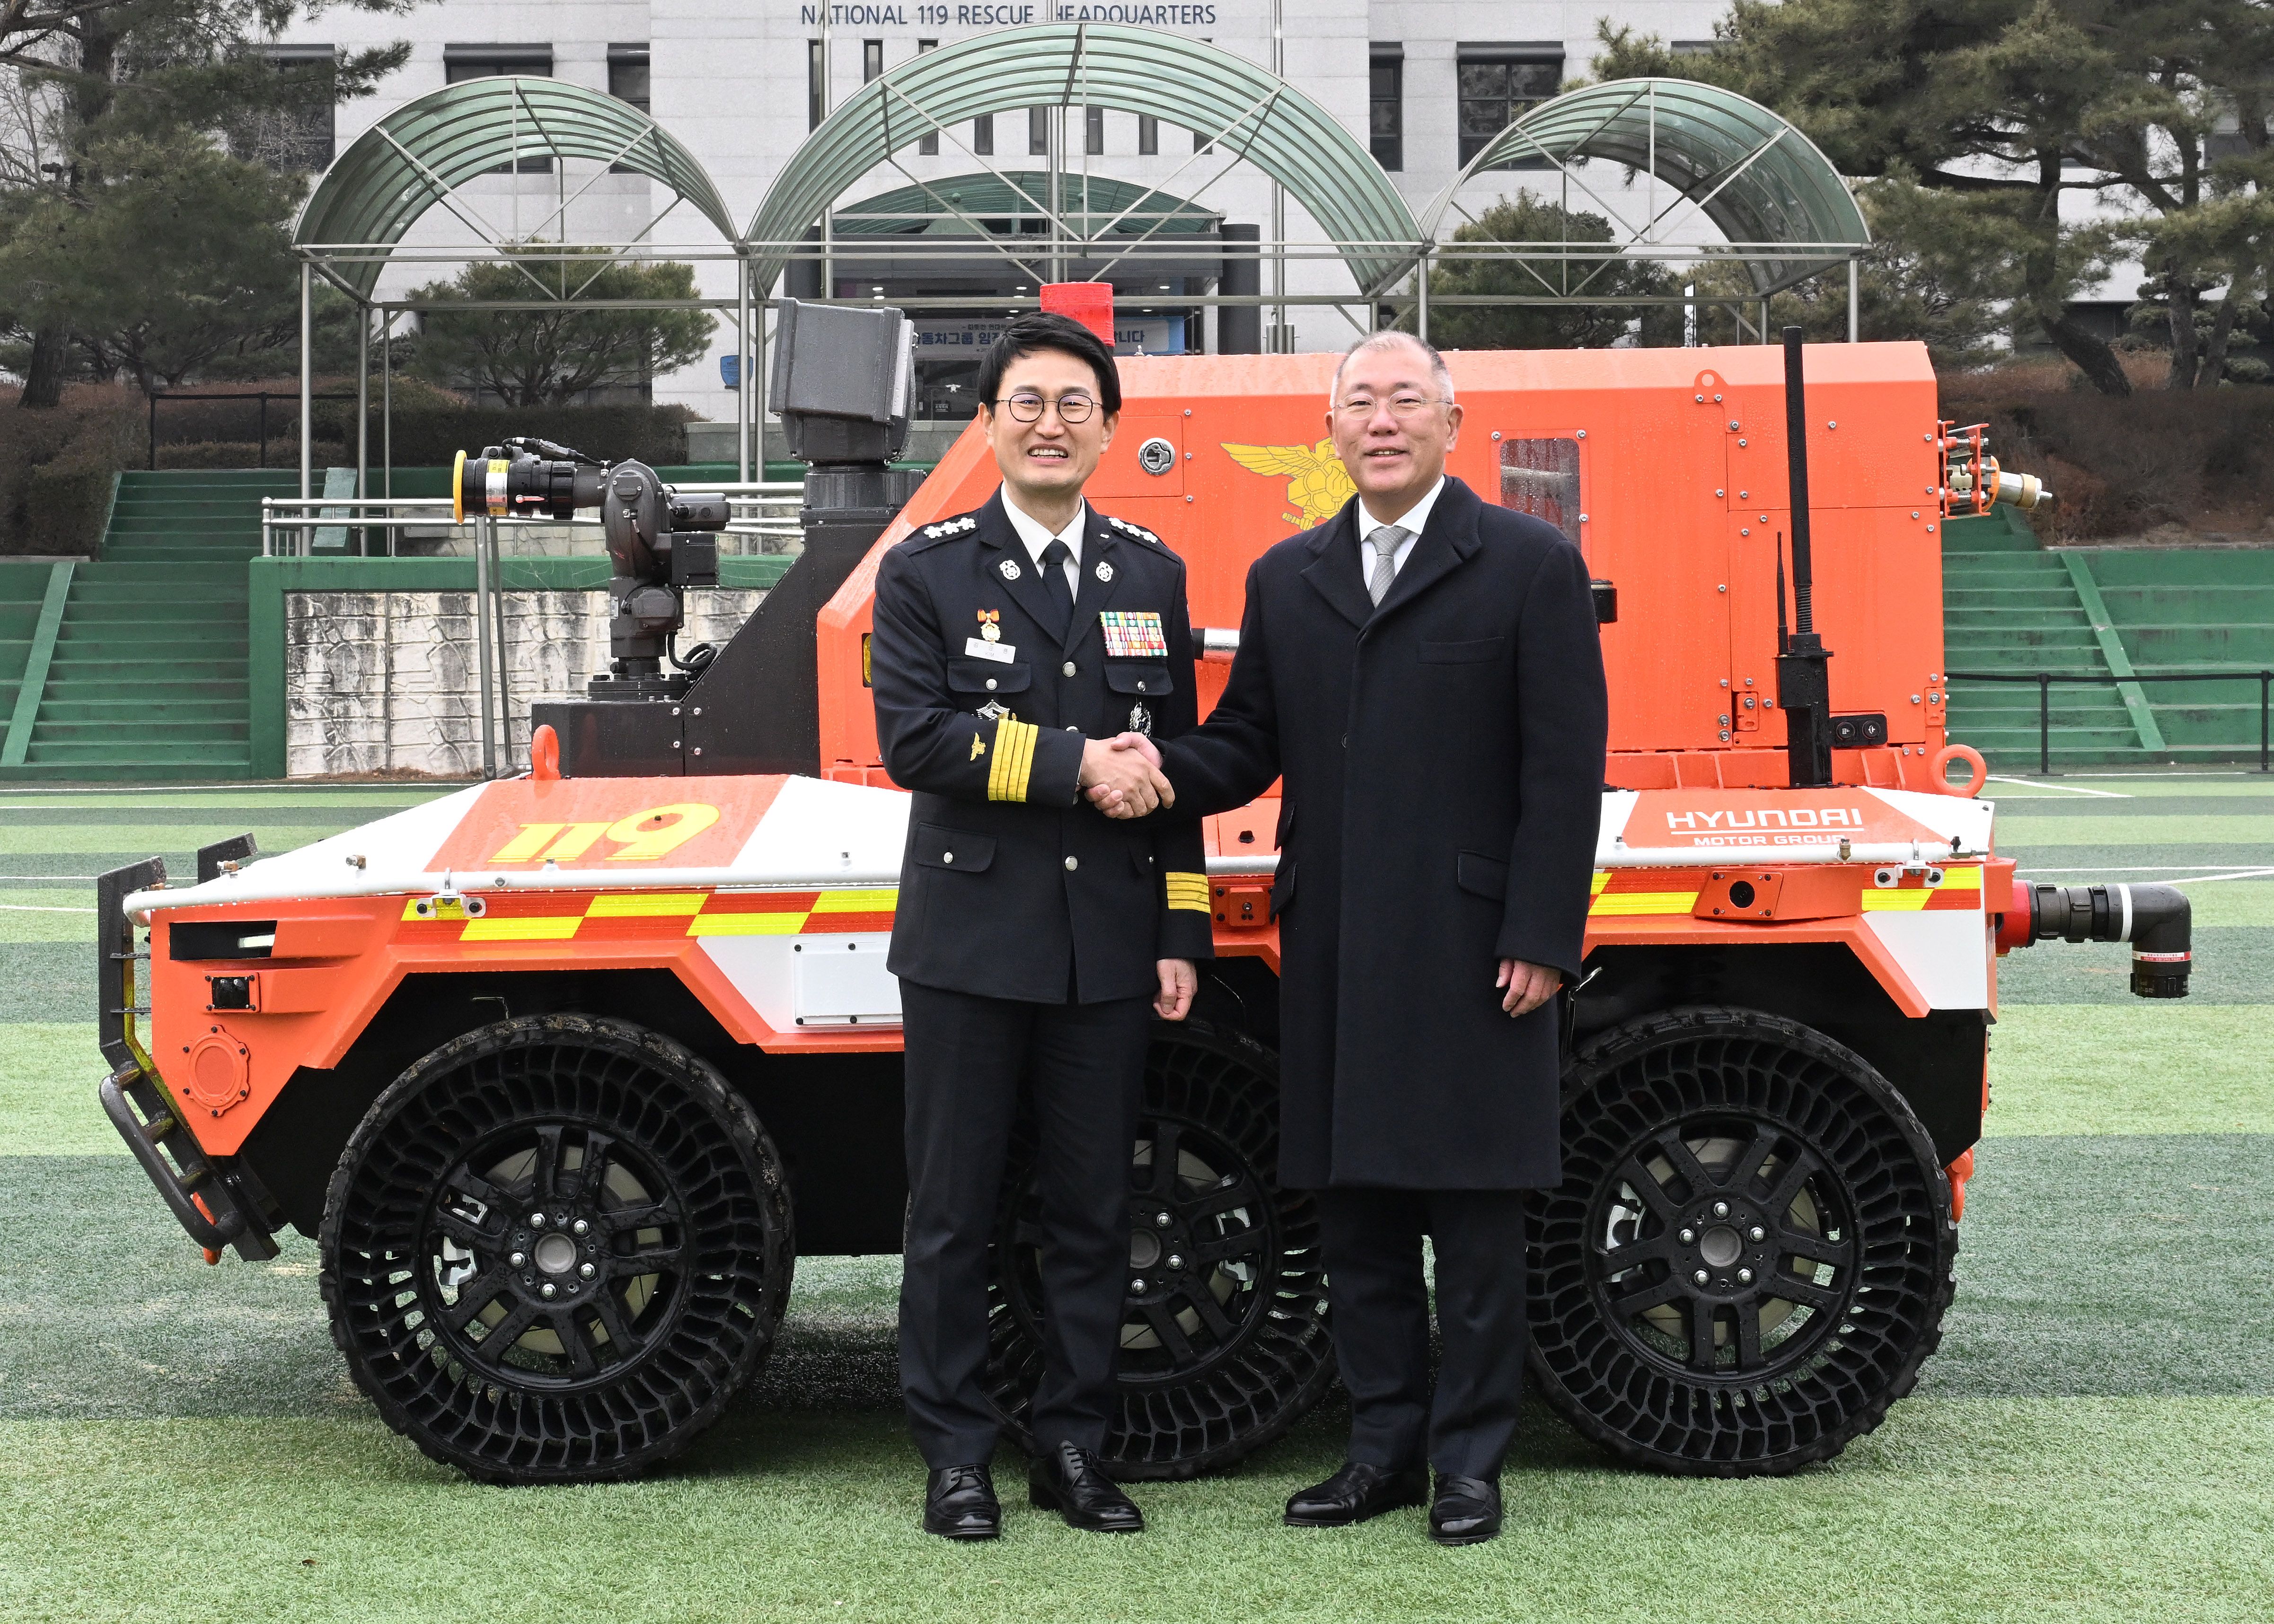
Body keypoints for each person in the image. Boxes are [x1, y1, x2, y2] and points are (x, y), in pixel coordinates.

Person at [1096, 330, 1608, 1545]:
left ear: (1450, 423)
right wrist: (1152, 767)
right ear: (1330, 429)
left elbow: (1564, 765)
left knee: (1475, 1225)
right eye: (1360, 402)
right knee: (1356, 1217)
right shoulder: (1289, 576)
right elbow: (1247, 740)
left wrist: (1544, 931)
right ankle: (1381, 1451)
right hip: (1331, 942)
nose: (1382, 420)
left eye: (1405, 401)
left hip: (1479, 948)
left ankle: (1469, 1466)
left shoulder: (1530, 563)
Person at [869, 311, 1212, 1541]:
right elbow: (915, 740)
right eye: (1027, 402)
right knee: (953, 1213)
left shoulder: (1150, 573)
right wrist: (1077, 765)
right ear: (987, 423)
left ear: (1109, 428)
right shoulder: (925, 569)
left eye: (1075, 403)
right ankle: (956, 1458)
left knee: (1092, 1213)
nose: (1050, 423)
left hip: (1106, 946)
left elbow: (1170, 769)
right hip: (968, 944)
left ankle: (1073, 1447)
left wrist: (1179, 929)